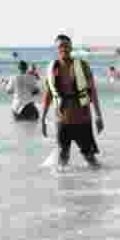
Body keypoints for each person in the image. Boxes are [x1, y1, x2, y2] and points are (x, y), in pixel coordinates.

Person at [41, 34, 105, 168]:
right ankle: (64, 186)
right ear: (56, 49)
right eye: (60, 46)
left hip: (82, 119)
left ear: (71, 48)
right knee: (62, 160)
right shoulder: (51, 68)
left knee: (90, 158)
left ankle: (98, 183)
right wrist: (43, 118)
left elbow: (92, 91)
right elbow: (48, 94)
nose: (64, 48)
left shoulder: (82, 66)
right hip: (62, 120)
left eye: (66, 45)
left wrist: (98, 115)